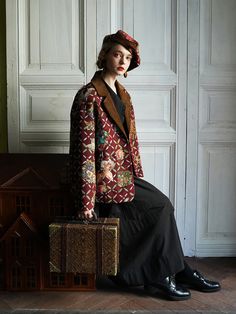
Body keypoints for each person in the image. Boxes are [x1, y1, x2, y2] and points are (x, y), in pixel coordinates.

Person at [69, 30, 221, 301]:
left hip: (125, 179)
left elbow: (131, 143)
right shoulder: (88, 96)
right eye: (117, 54)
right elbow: (84, 152)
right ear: (104, 56)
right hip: (103, 185)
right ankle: (159, 278)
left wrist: (137, 177)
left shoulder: (124, 94)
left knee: (162, 204)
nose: (122, 61)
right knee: (160, 207)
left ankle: (178, 269)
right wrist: (86, 203)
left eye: (127, 57)